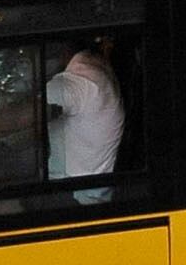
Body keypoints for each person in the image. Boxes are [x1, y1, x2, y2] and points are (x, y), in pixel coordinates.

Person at [45, 36, 127, 191]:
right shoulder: (95, 67)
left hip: (75, 192)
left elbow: (22, 115)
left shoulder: (81, 80)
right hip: (87, 183)